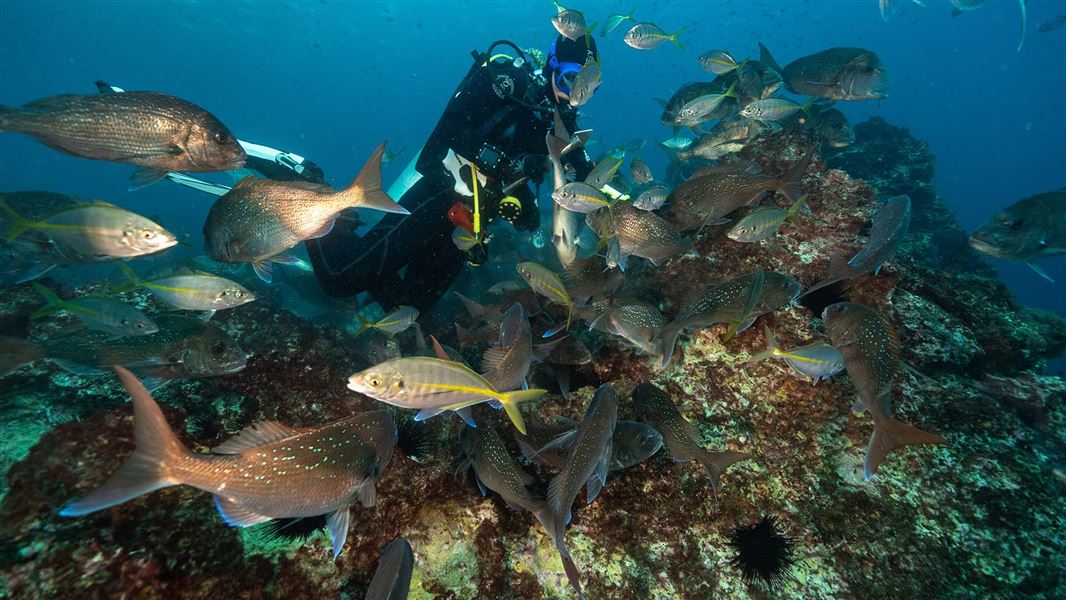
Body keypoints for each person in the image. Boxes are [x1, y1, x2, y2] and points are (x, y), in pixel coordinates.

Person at [305, 35, 599, 313]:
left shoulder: (560, 125)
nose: (577, 97)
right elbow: (452, 129)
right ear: (553, 67)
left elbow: (587, 182)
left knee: (409, 310)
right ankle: (307, 185)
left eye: (590, 89)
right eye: (570, 79)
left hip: (471, 222)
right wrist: (511, 165)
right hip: (439, 189)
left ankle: (346, 233)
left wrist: (528, 207)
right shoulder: (508, 82)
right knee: (339, 279)